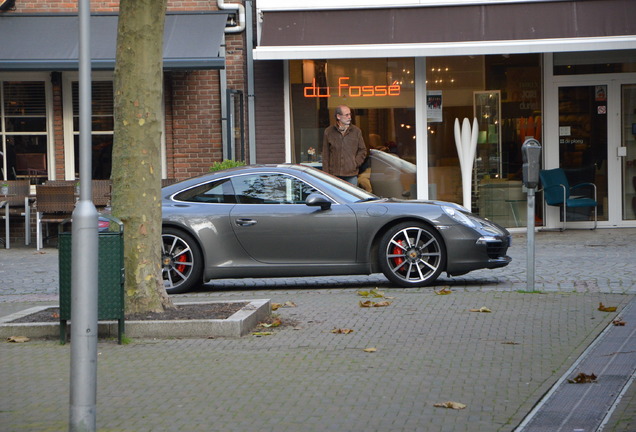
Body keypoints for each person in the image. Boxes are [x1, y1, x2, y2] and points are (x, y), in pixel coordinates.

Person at [322, 105, 368, 187]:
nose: (349, 117)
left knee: (352, 198)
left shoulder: (356, 131)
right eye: (346, 115)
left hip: (351, 174)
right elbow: (326, 154)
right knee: (335, 198)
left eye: (350, 114)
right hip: (334, 175)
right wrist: (326, 173)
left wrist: (355, 163)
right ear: (338, 116)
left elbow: (363, 150)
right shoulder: (329, 132)